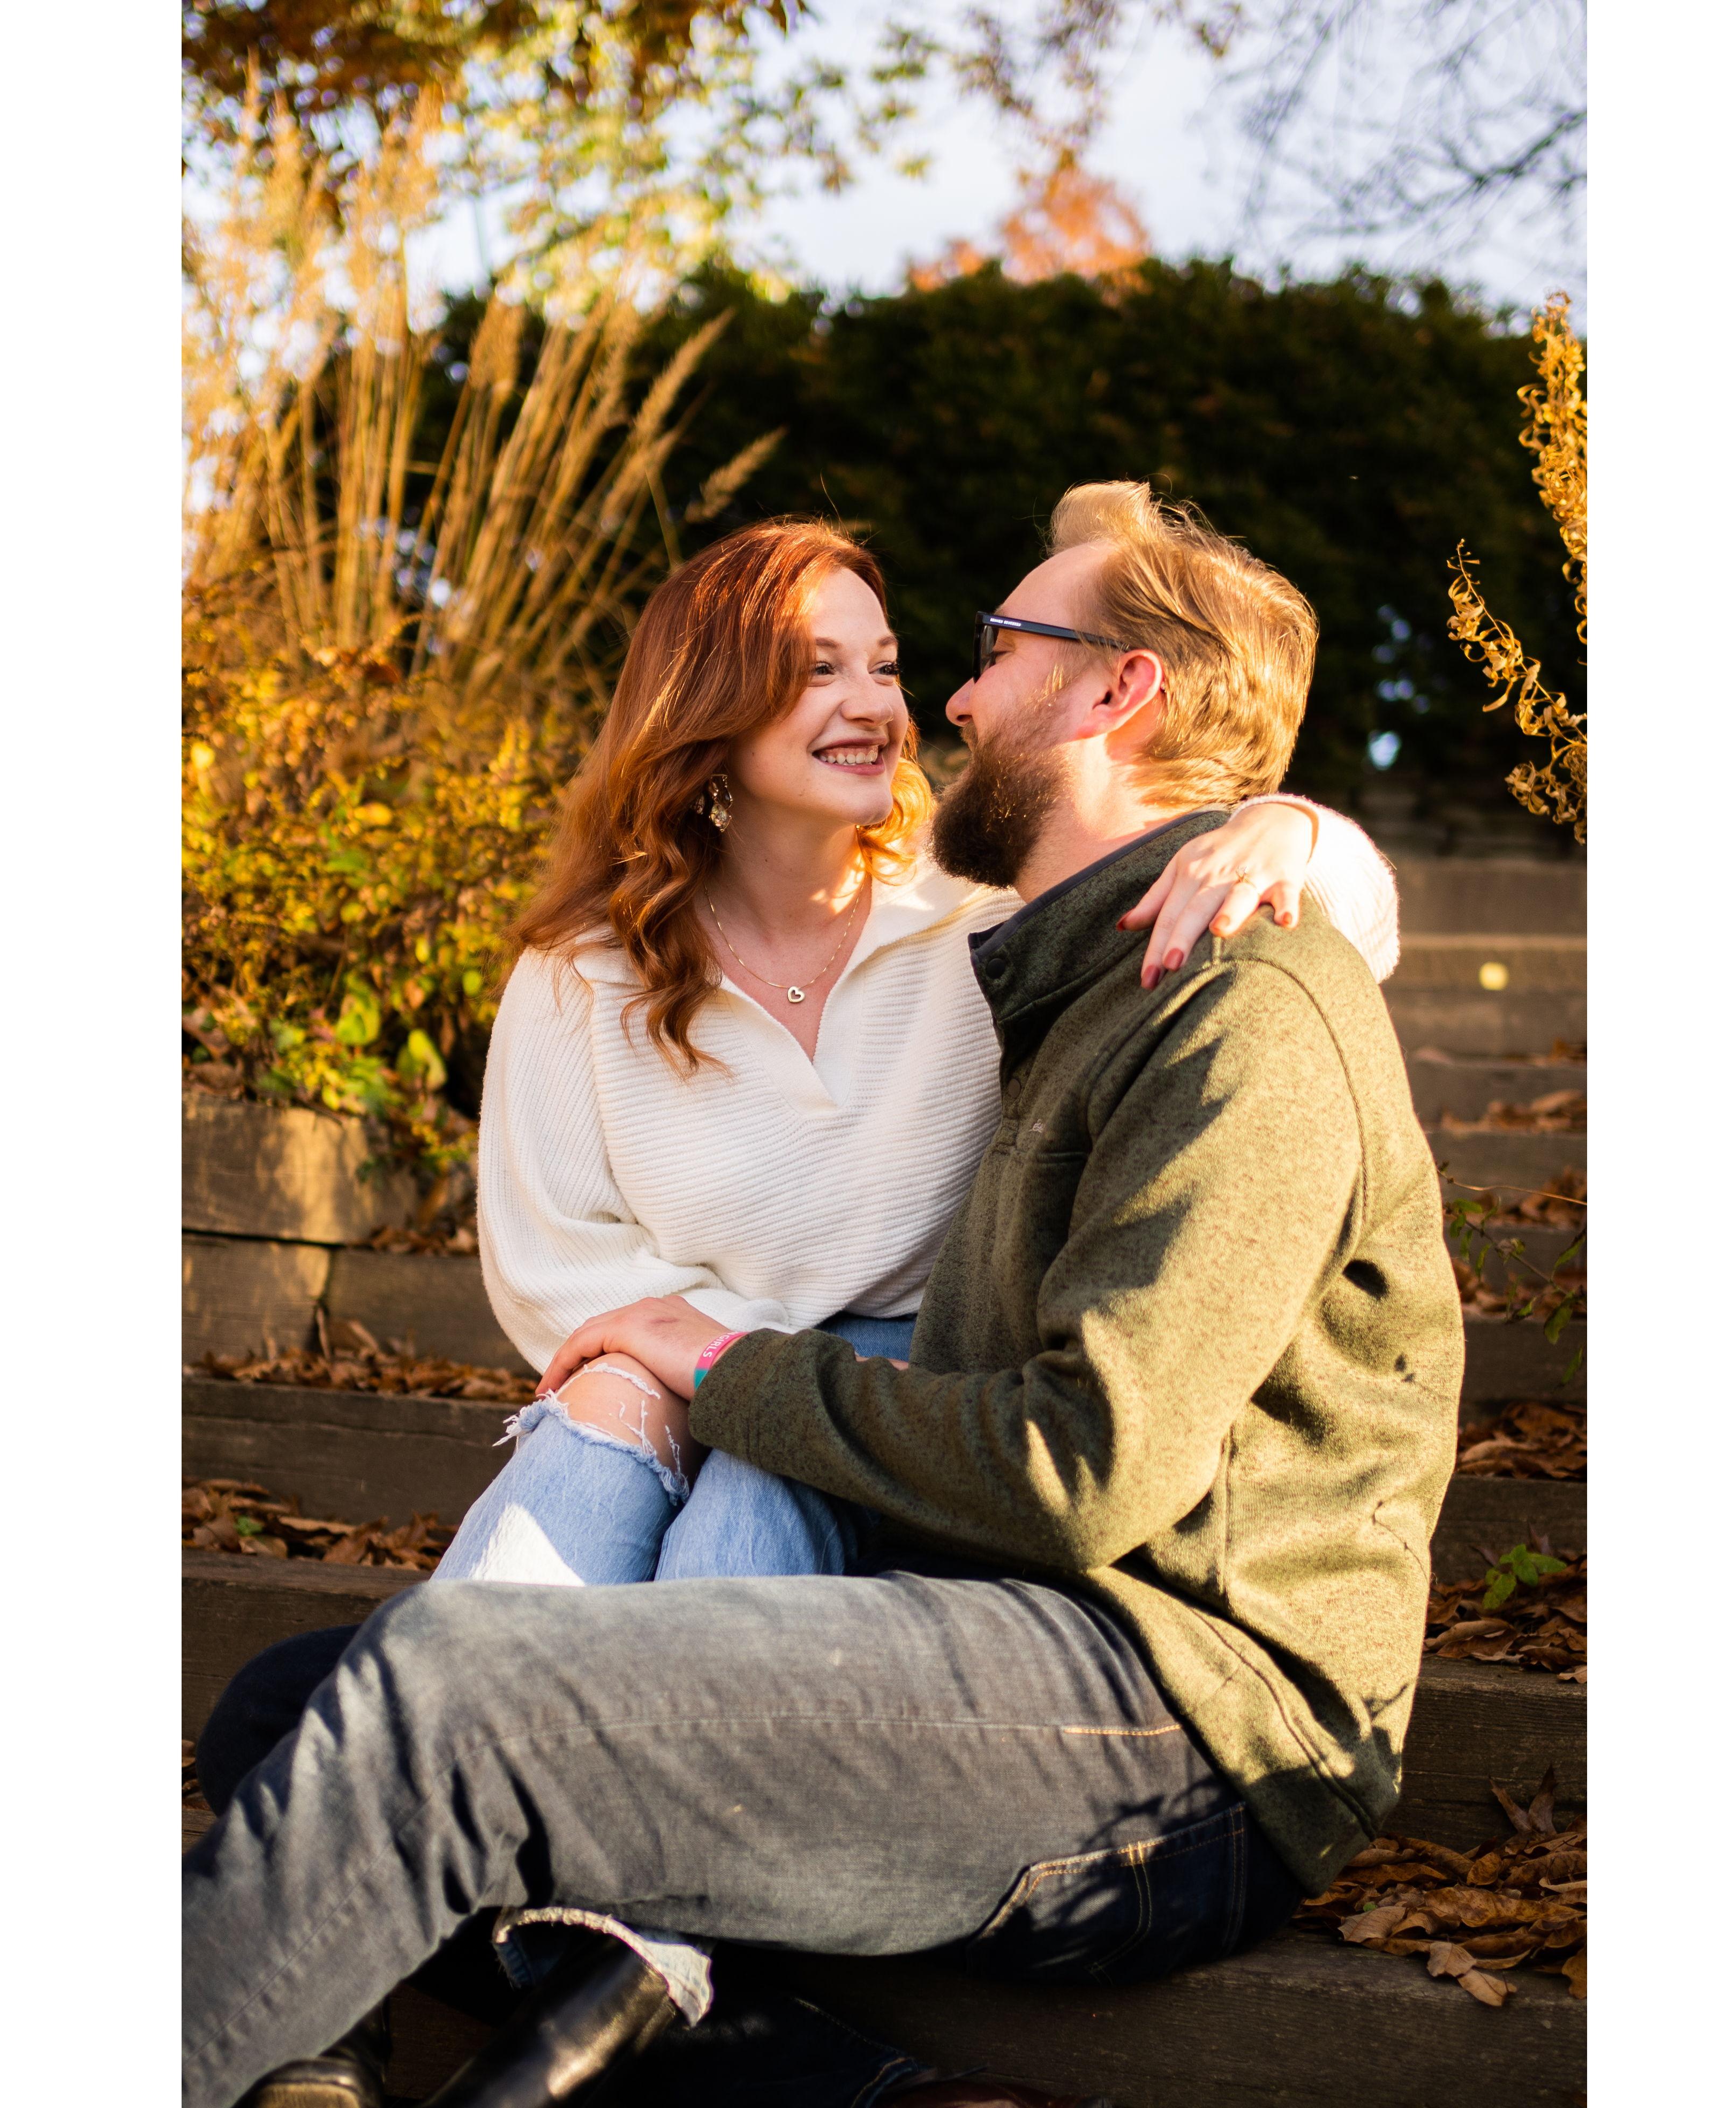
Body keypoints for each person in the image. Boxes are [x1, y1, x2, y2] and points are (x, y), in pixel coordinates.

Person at [183, 483, 1461, 2108]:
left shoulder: (1232, 1005)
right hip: (1006, 1603)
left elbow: (1084, 1470)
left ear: (1118, 690)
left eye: (992, 651)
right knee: (301, 1705)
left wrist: (1306, 828)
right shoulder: (1061, 976)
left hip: (1191, 1712)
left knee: (450, 1698)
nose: (950, 702)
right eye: (837, 669)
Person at [427, 516, 1398, 1594]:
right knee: (583, 1450)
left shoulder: (978, 898)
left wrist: (1292, 832)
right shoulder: (582, 971)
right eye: (819, 671)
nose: (878, 706)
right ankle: (439, 1692)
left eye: (885, 668)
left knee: (745, 1510)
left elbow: (1336, 940)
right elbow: (555, 1264)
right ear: (706, 706)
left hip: (910, 1387)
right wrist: (722, 1364)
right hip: (669, 1371)